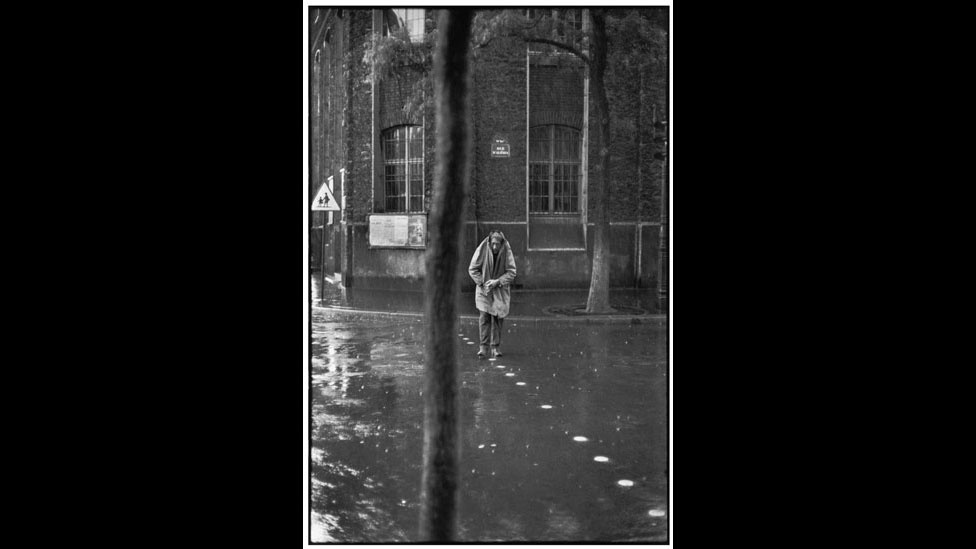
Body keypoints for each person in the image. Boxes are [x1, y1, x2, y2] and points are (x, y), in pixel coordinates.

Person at [468, 230, 517, 358]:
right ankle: (483, 347)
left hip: (499, 289)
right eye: (493, 244)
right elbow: (472, 269)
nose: (495, 247)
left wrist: (498, 281)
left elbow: (512, 272)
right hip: (484, 289)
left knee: (497, 318)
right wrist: (482, 283)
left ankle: (495, 347)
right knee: (484, 317)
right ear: (489, 242)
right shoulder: (483, 248)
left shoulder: (507, 250)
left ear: (502, 244)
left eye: (497, 244)